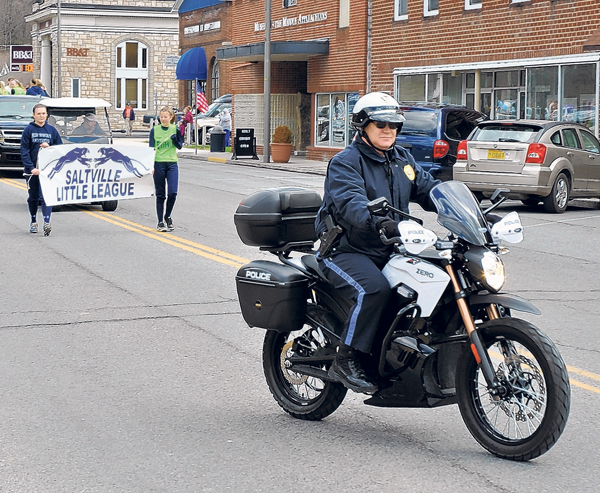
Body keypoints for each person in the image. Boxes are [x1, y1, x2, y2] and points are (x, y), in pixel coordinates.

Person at [315, 92, 440, 394]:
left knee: (433, 279)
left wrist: (468, 207)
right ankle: (345, 360)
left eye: (394, 125)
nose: (388, 130)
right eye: (380, 124)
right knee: (374, 289)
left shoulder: (401, 159)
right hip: (346, 249)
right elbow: (350, 202)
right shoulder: (346, 162)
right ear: (362, 125)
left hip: (389, 248)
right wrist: (379, 221)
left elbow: (429, 189)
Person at [21, 103, 63, 236]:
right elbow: (24, 151)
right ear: (33, 115)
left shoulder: (52, 130)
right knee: (33, 197)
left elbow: (59, 150)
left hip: (48, 171)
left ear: (47, 115)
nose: (41, 116)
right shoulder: (28, 130)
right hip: (33, 171)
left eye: (43, 113)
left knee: (47, 196)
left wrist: (49, 147)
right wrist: (31, 168)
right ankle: (33, 221)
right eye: (39, 114)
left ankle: (47, 222)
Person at [149, 106, 183, 232]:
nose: (163, 119)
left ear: (171, 117)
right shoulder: (154, 130)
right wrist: (150, 166)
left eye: (166, 117)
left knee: (173, 192)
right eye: (161, 117)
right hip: (158, 163)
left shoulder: (175, 129)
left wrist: (175, 140)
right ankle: (160, 222)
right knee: (160, 194)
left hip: (172, 163)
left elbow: (179, 146)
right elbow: (150, 149)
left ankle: (167, 215)